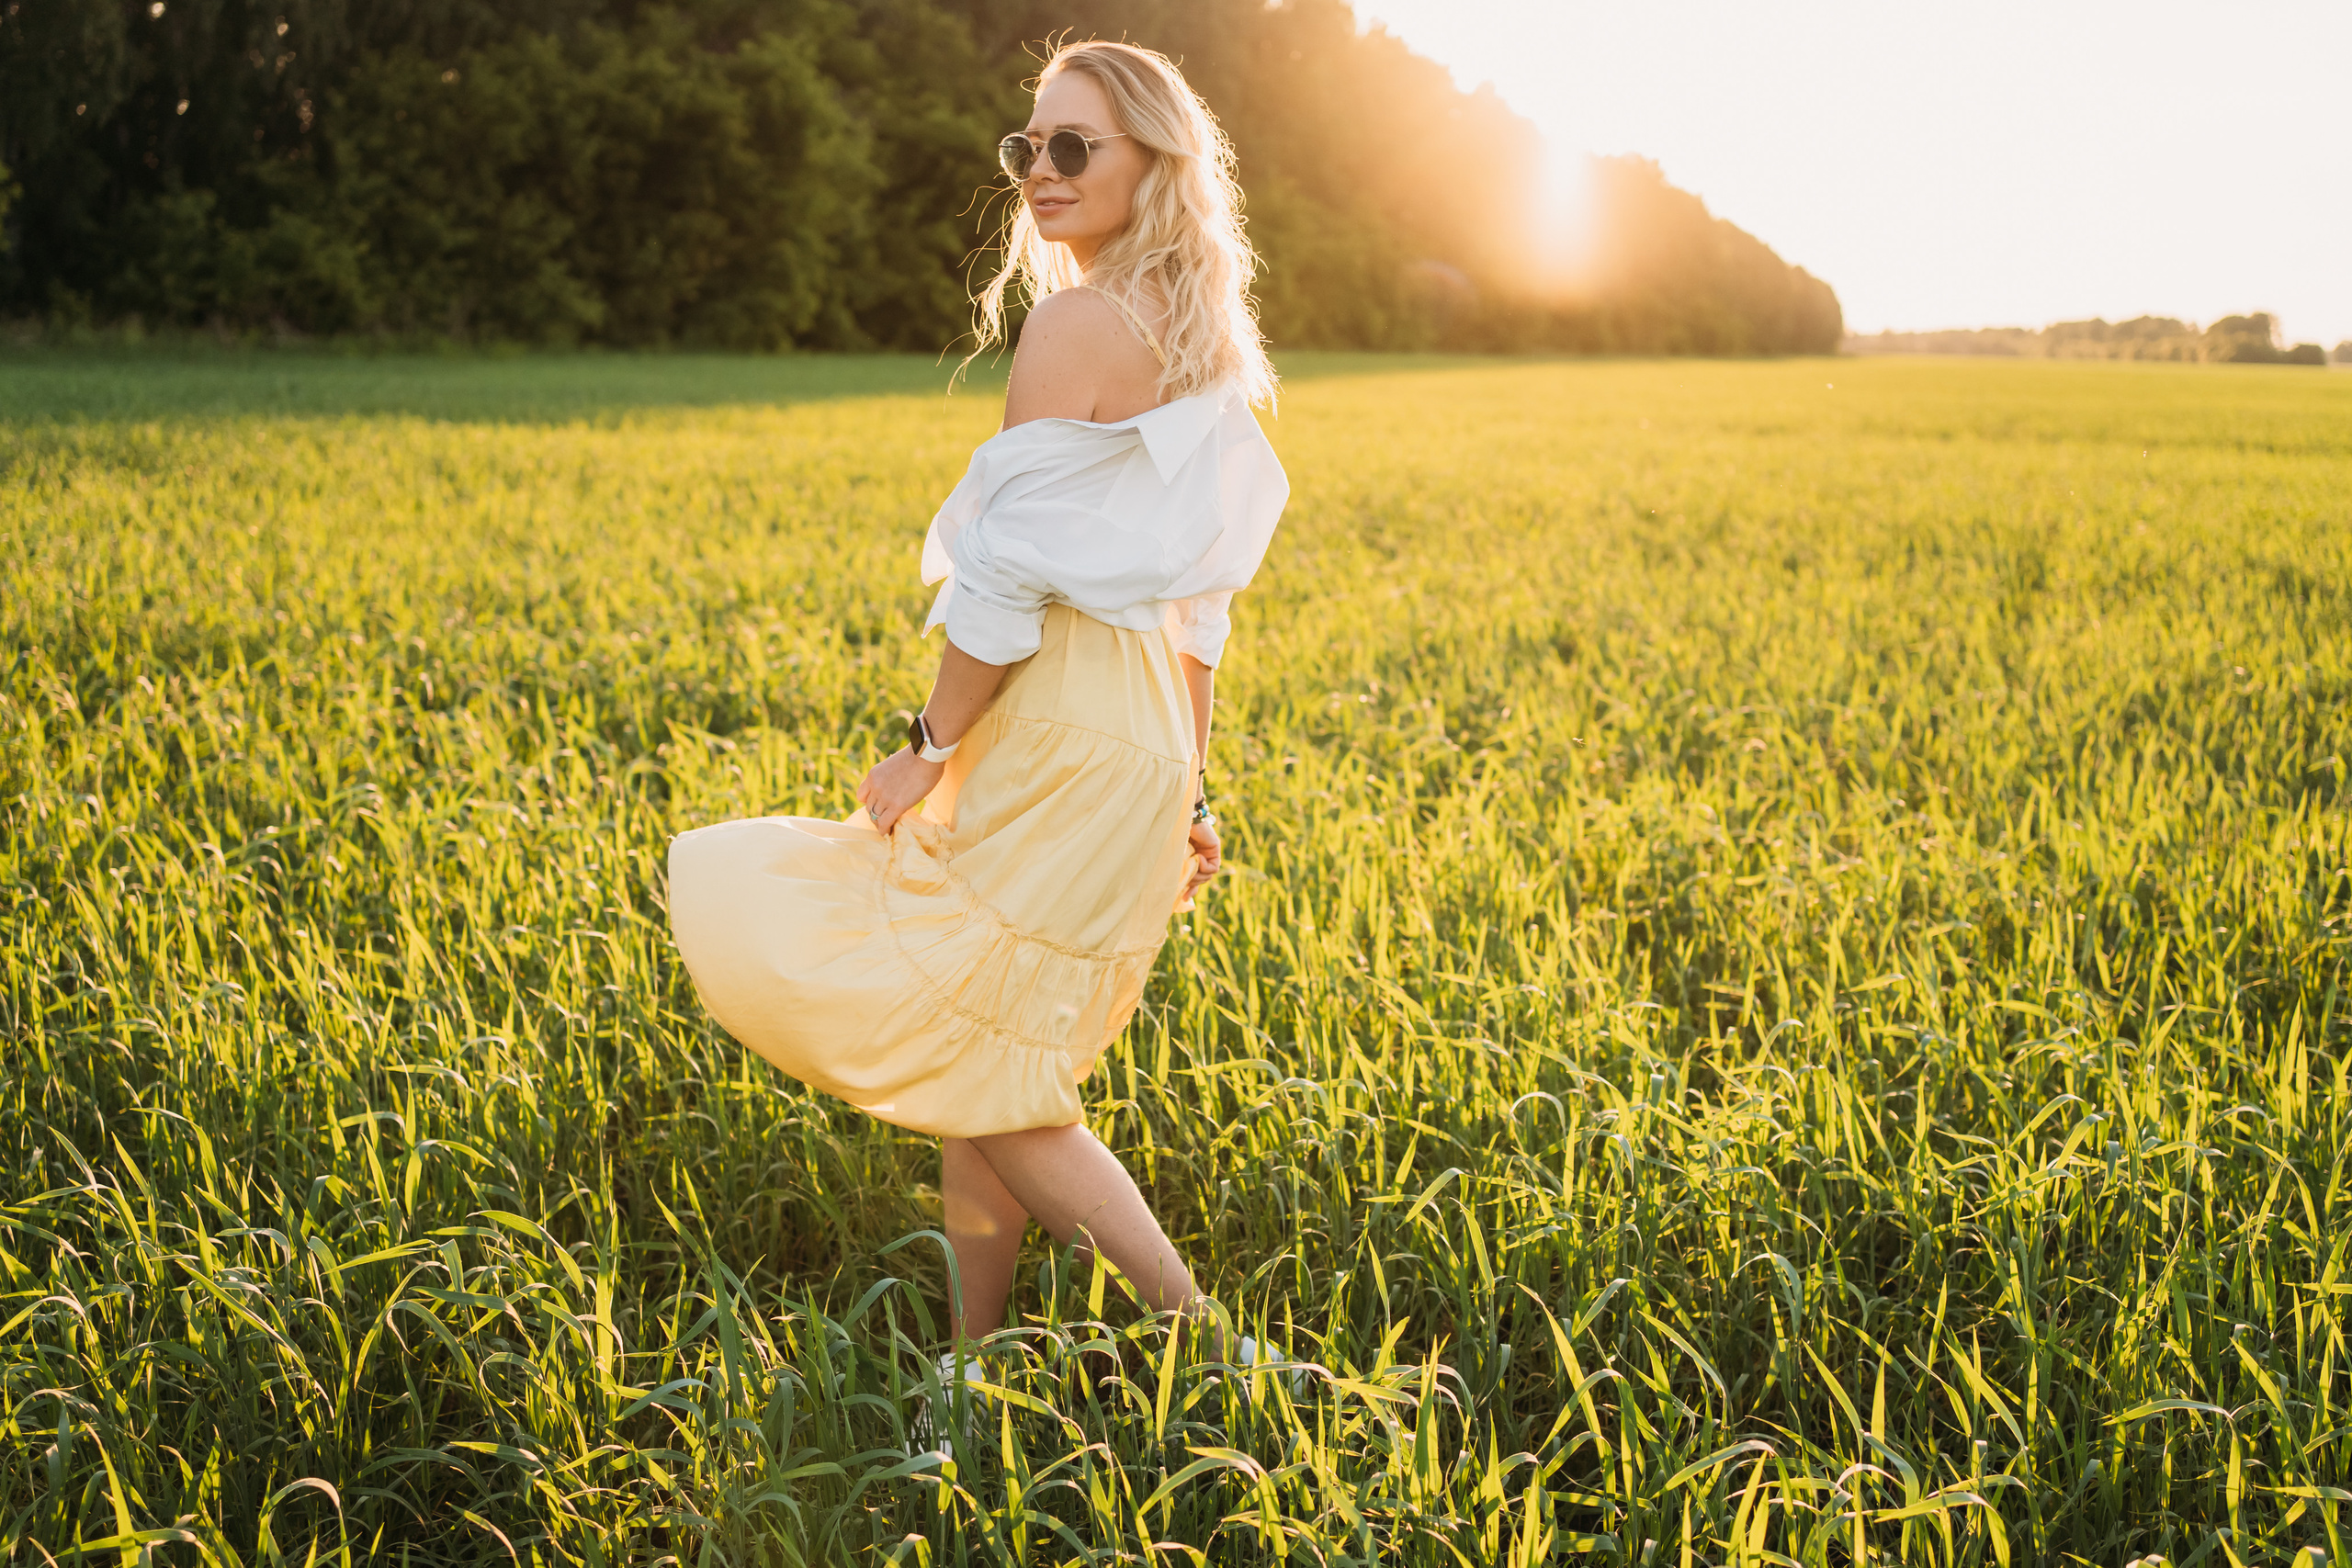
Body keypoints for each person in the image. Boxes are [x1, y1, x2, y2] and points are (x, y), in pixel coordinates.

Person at [665, 39, 1287, 1383]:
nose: (1042, 173)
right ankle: (976, 1359)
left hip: (1054, 712)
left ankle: (1219, 1354)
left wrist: (925, 745)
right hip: (1132, 737)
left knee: (986, 1054)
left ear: (1155, 166)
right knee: (980, 1040)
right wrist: (1189, 787)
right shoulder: (1208, 357)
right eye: (1030, 147)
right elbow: (1203, 620)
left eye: (1078, 148)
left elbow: (1002, 587)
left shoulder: (1073, 329)